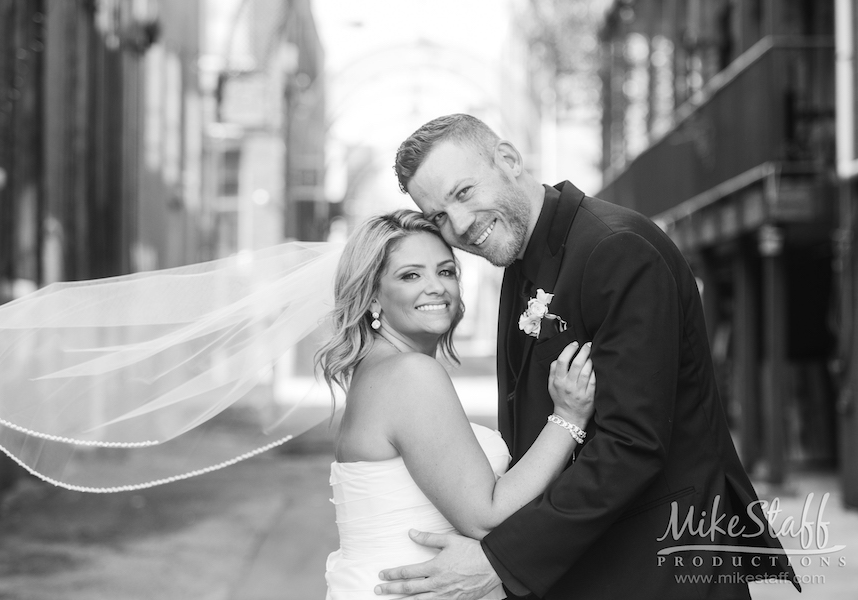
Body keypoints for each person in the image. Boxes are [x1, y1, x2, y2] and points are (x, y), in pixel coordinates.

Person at [373, 114, 800, 599]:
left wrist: (504, 559)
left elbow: (632, 443)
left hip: (654, 565)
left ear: (509, 160)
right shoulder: (519, 258)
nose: (461, 225)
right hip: (585, 565)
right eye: (439, 217)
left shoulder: (617, 249)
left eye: (464, 192)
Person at [315, 210, 596, 600]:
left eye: (446, 271)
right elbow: (486, 516)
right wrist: (567, 419)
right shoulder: (409, 374)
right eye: (410, 275)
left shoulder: (376, 370)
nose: (436, 287)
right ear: (372, 296)